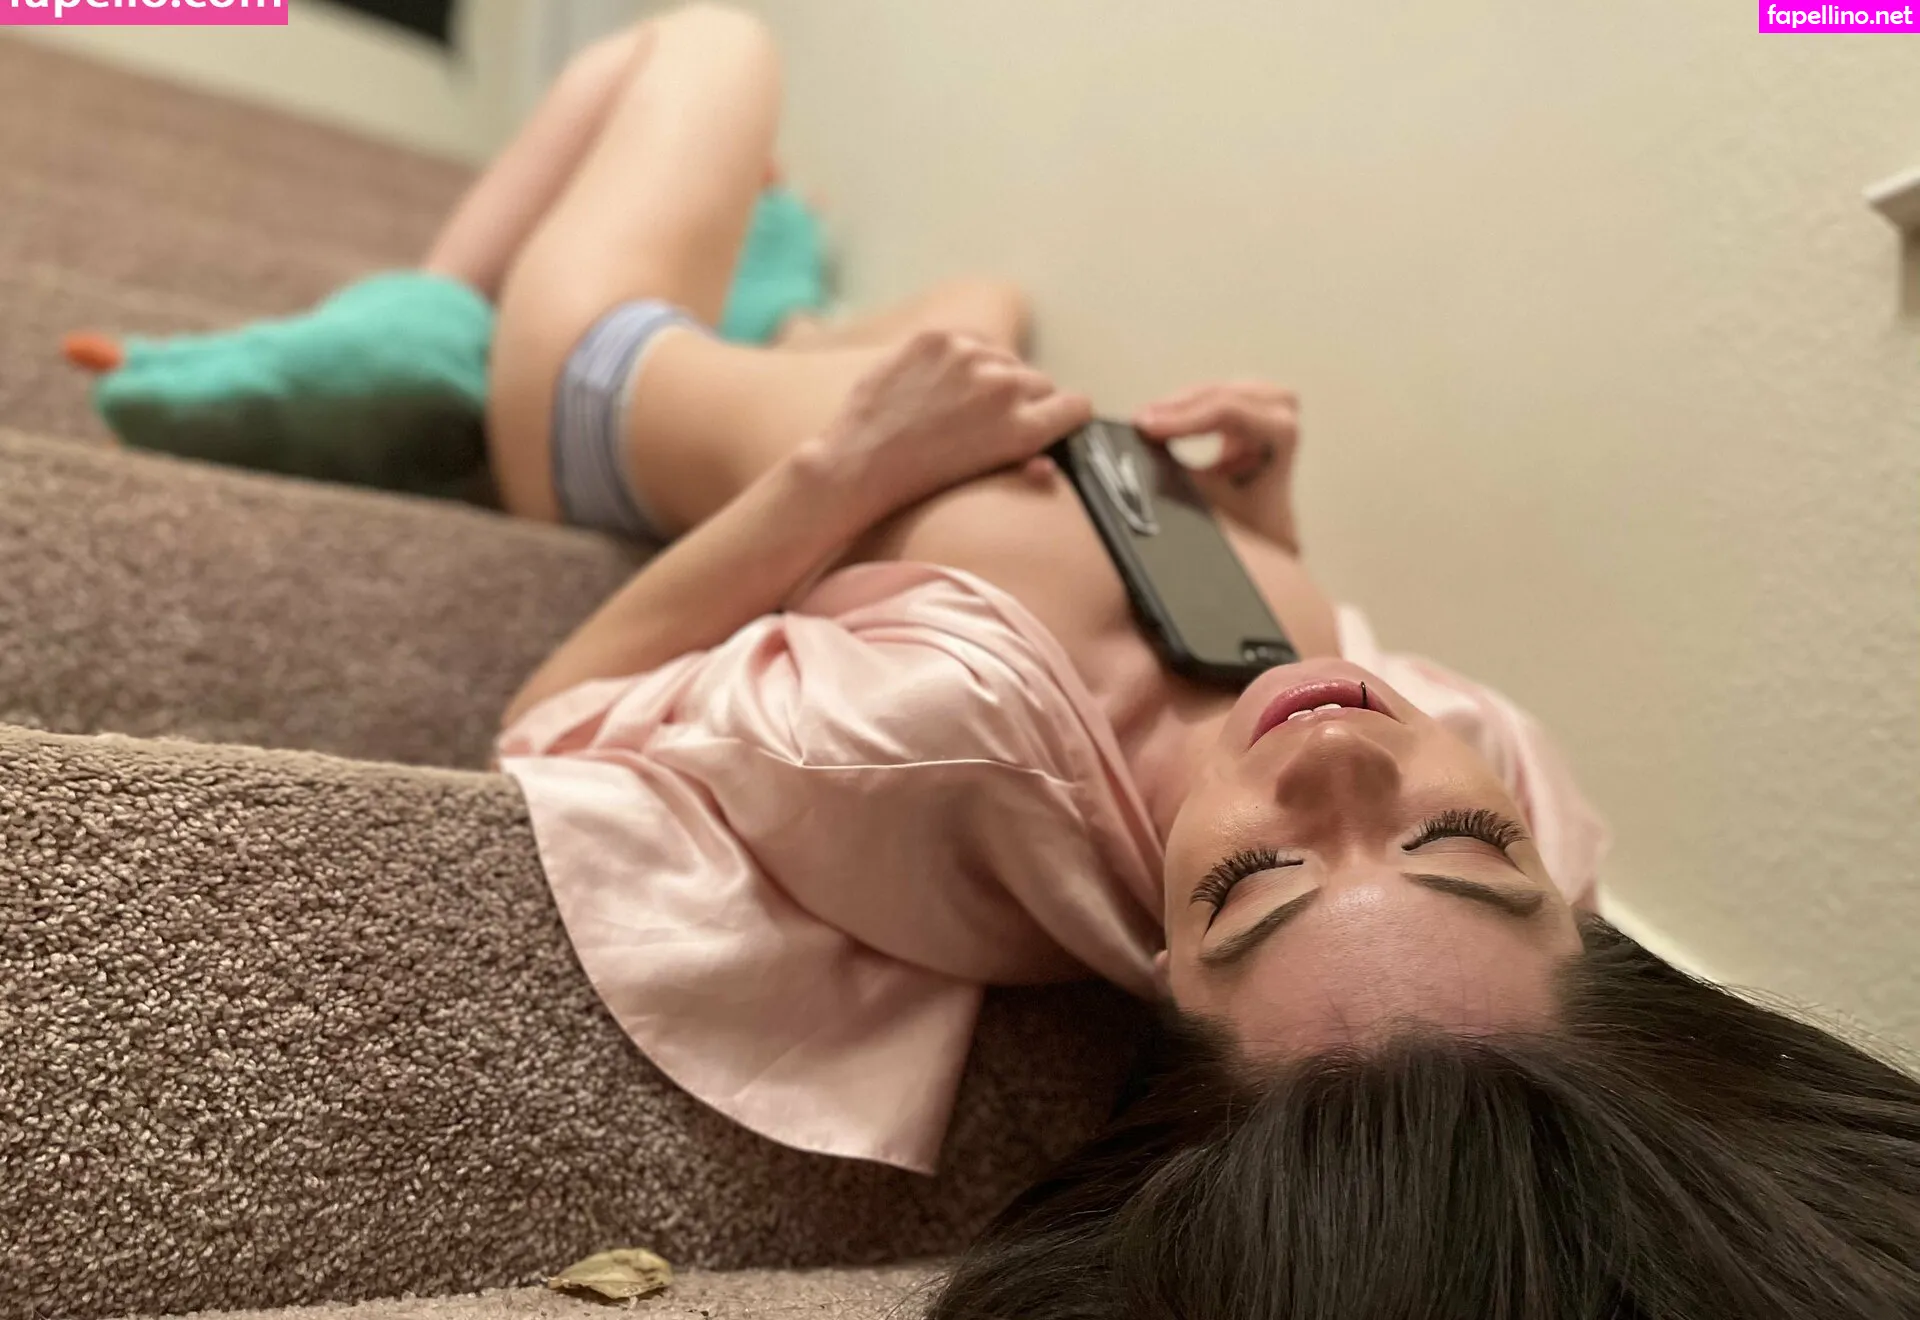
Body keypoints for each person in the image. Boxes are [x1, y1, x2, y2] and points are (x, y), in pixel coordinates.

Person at [116, 6, 1920, 1314]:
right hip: (950, 416)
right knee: (978, 302)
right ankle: (789, 307)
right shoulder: (1467, 747)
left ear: (1164, 966)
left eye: (1257, 882)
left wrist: (844, 474)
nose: (1335, 755)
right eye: (1459, 841)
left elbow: (553, 719)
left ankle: (424, 326)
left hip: (607, 401)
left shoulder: (928, 747)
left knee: (702, 48)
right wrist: (1266, 529)